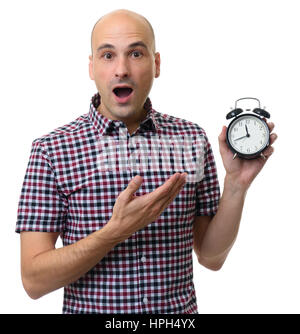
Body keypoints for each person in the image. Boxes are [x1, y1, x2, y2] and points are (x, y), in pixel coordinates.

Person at [16, 9, 277, 314]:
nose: (121, 69)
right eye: (107, 55)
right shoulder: (52, 150)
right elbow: (33, 281)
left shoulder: (191, 139)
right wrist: (114, 232)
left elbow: (211, 257)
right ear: (91, 67)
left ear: (156, 64)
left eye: (136, 53)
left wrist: (236, 185)